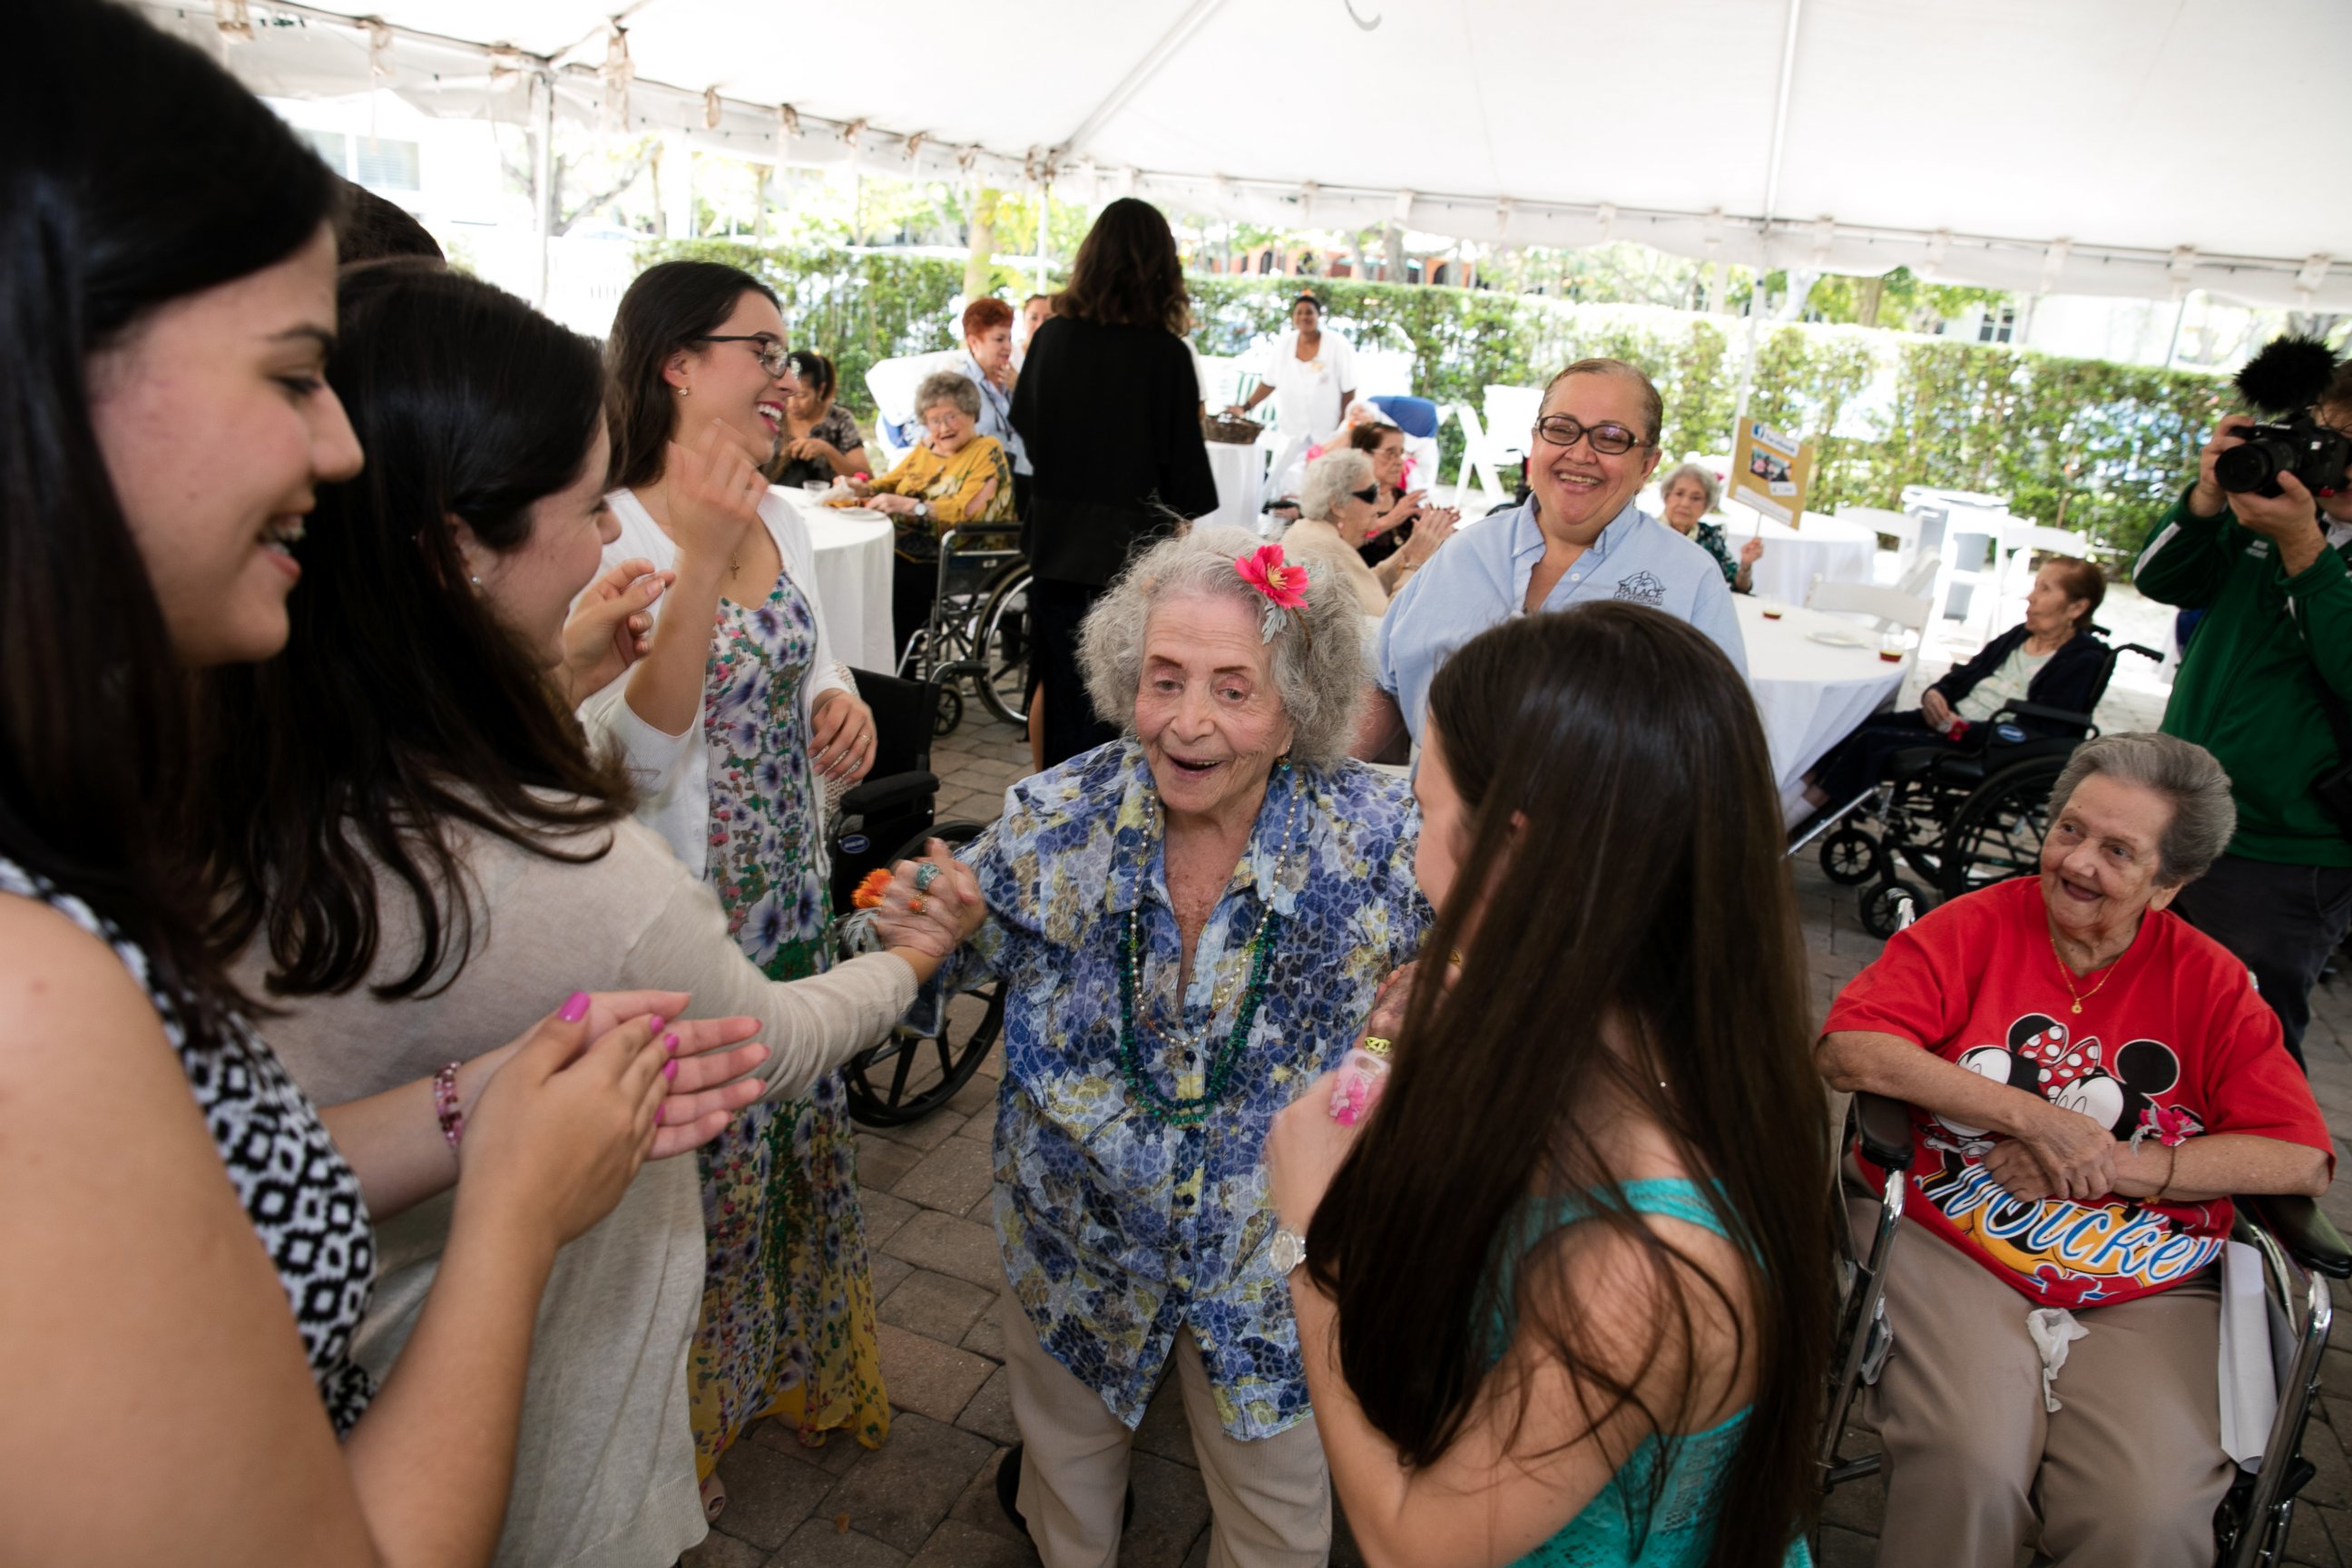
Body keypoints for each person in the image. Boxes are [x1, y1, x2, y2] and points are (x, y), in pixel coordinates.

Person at [1, 5, 716, 1561]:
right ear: (59, 387)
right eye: (291, 372)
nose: (334, 446)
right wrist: (516, 1215)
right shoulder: (30, 998)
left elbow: (203, 1176)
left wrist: (476, 1103)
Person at [196, 260, 986, 1567]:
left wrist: (474, 1105)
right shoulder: (560, 866)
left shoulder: (238, 746)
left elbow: (256, 1158)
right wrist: (911, 956)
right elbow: (758, 1033)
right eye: (577, 508)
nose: (596, 543)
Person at [864, 526, 1430, 1567]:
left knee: (1275, 1521)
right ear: (1127, 678)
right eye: (1164, 680)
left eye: (1232, 688)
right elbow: (950, 941)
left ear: (1297, 700)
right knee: (1067, 1490)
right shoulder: (1055, 816)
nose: (1188, 722)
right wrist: (918, 933)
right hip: (1077, 1238)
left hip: (1276, 1267)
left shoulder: (1382, 838)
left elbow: (1500, 952)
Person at [1266, 605, 1831, 1568]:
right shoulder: (1659, 1041)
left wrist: (1310, 1239)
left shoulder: (1637, 1269)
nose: (1413, 855)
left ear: (1517, 854)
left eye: (1424, 812)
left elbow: (1415, 1546)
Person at [1817, 732, 2332, 1568]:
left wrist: (2124, 1167)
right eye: (2068, 830)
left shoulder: (2211, 982)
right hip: (1957, 1235)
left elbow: (2299, 1157)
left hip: (2146, 1271)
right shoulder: (1977, 927)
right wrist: (2036, 1119)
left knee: (2149, 1514)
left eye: (2117, 851)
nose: (2077, 862)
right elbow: (1851, 1048)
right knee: (1974, 1461)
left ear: (2169, 885)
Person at [584, 258, 892, 1499]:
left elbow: (821, 667)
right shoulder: (617, 524)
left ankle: (762, 1373)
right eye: (759, 351)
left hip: (789, 890)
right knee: (689, 1180)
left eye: (780, 353)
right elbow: (630, 757)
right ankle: (670, 1434)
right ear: (676, 362)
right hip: (682, 902)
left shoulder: (789, 516)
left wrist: (842, 709)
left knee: (781, 1149)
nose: (782, 376)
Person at [1358, 358, 1747, 760]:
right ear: (1535, 442)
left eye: (1611, 437)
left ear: (1647, 464)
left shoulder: (1690, 581)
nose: (1580, 454)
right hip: (1436, 819)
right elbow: (1387, 687)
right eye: (1561, 429)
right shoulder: (1465, 553)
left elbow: (1721, 750)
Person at [2134, 369, 2352, 1064]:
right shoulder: (2271, 511)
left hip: (2285, 849)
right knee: (2133, 1010)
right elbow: (2161, 580)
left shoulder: (2299, 534)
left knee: (2247, 1043)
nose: (2329, 459)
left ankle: (2251, 1172)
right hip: (2178, 813)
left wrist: (2304, 550)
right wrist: (2205, 498)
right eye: (2324, 436)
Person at [1011, 197, 1219, 769]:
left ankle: (1052, 818)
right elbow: (1186, 486)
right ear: (1162, 265)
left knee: (1061, 691)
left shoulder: (1051, 338)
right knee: (1131, 702)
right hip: (1135, 560)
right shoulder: (1166, 357)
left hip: (1055, 549)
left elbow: (1025, 431)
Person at [1804, 557, 2108, 808]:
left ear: (2076, 608)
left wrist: (1964, 729)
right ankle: (1799, 803)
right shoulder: (2019, 635)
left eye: (2045, 589)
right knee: (1857, 725)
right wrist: (1935, 694)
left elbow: (2041, 730)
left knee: (1871, 744)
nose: (2031, 596)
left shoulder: (2083, 660)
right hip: (1952, 723)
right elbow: (1967, 673)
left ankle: (1796, 821)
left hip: (1986, 744)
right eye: (2034, 586)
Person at [843, 368, 1016, 660]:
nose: (942, 427)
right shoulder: (927, 448)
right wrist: (857, 488)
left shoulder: (986, 450)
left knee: (896, 586)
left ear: (971, 413)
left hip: (962, 559)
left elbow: (969, 511)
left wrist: (909, 506)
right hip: (913, 549)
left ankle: (900, 681)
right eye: (934, 420)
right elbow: (888, 483)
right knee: (866, 572)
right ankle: (870, 664)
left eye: (951, 416)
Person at [1281, 448, 1457, 616]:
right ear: (1338, 506)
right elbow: (1386, 623)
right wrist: (1416, 561)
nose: (1380, 499)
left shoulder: (1309, 529)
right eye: (1372, 493)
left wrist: (1410, 550)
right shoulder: (1327, 546)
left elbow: (1364, 586)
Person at [1224, 294, 1357, 496]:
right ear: (1294, 317)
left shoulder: (1336, 346)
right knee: (1283, 482)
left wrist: (1342, 426)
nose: (1304, 317)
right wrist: (1245, 407)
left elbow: (1348, 389)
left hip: (1326, 430)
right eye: (1299, 313)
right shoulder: (1284, 345)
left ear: (1318, 315)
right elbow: (1268, 383)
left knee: (1323, 482)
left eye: (1309, 312)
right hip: (1292, 429)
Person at [956, 296, 1034, 514]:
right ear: (973, 342)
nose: (1008, 347)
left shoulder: (1014, 380)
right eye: (999, 340)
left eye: (1009, 338)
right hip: (983, 488)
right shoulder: (959, 385)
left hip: (1024, 481)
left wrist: (1022, 390)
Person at [770, 348, 869, 491]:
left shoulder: (839, 420)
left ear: (820, 389)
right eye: (786, 392)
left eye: (802, 395)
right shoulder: (773, 414)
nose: (792, 404)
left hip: (826, 507)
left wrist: (827, 450)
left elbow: (866, 477)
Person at [1657, 461, 1762, 594]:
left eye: (1695, 498)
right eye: (1679, 494)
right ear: (1666, 496)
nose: (1685, 503)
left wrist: (1746, 565)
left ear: (1706, 505)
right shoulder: (1646, 532)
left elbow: (1741, 586)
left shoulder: (1710, 537)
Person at [1347, 419, 1426, 569]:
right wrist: (1390, 520)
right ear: (1363, 455)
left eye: (1400, 454)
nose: (1399, 462)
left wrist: (1434, 530)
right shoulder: (1348, 500)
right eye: (1390, 454)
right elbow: (1341, 545)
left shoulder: (1401, 498)